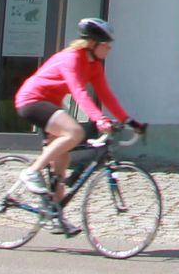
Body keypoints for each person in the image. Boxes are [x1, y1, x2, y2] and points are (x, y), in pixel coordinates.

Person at [12, 18, 143, 233]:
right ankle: (32, 172)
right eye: (106, 44)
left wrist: (129, 121)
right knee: (74, 132)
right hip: (32, 100)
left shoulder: (94, 66)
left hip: (52, 104)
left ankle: (55, 215)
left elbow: (106, 95)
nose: (109, 48)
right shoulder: (71, 58)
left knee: (61, 165)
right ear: (93, 43)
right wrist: (98, 119)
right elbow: (78, 92)